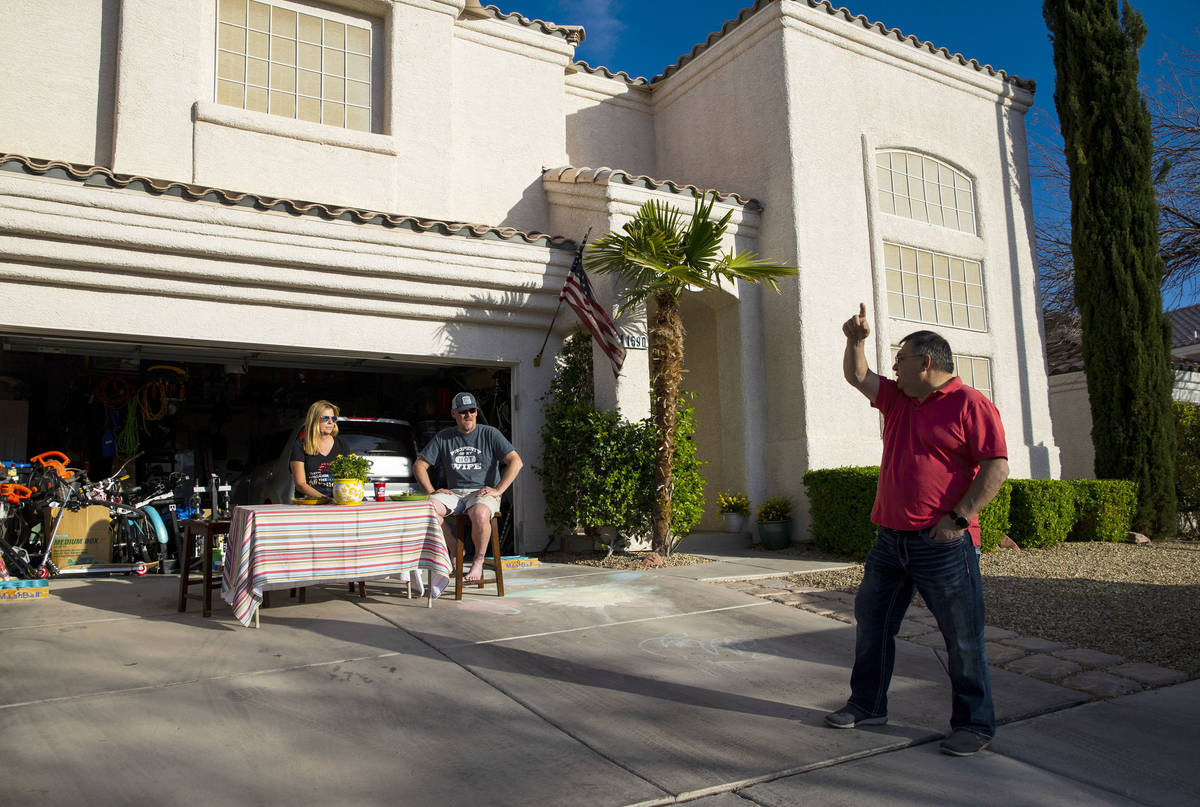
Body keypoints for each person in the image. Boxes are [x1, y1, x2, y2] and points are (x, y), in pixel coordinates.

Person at [829, 303, 1009, 757]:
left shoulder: (971, 404)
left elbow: (996, 467)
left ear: (925, 362)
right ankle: (867, 705)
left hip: (942, 544)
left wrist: (958, 519)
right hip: (889, 541)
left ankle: (974, 724)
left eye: (900, 359)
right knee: (873, 625)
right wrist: (856, 341)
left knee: (962, 637)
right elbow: (858, 376)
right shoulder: (898, 399)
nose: (893, 368)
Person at [414, 391, 522, 582]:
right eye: (463, 411)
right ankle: (454, 548)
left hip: (482, 492)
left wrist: (498, 490)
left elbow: (516, 461)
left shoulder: (490, 433)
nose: (468, 415)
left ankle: (478, 562)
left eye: (472, 410)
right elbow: (419, 465)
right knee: (428, 507)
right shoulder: (444, 437)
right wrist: (431, 491)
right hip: (455, 493)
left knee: (479, 513)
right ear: (453, 414)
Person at [290, 400, 348, 500]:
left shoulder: (342, 444)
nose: (330, 422)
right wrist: (325, 499)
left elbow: (347, 479)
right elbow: (300, 484)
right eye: (325, 418)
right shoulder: (300, 445)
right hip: (310, 501)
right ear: (314, 420)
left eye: (333, 418)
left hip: (336, 500)